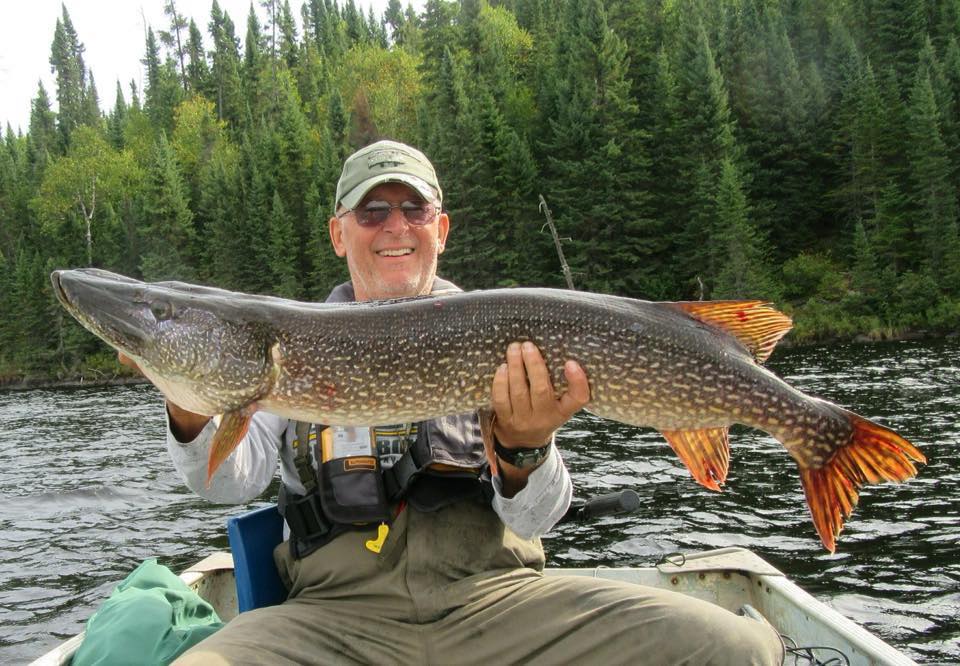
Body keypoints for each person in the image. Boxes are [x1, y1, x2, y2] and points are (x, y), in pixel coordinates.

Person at [140, 140, 783, 664]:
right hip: (330, 624)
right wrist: (190, 400)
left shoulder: (501, 333)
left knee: (738, 649)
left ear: (440, 229)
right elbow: (224, 482)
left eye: (413, 210)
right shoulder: (294, 342)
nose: (395, 227)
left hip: (498, 606)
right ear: (339, 234)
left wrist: (526, 448)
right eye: (371, 213)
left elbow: (537, 520)